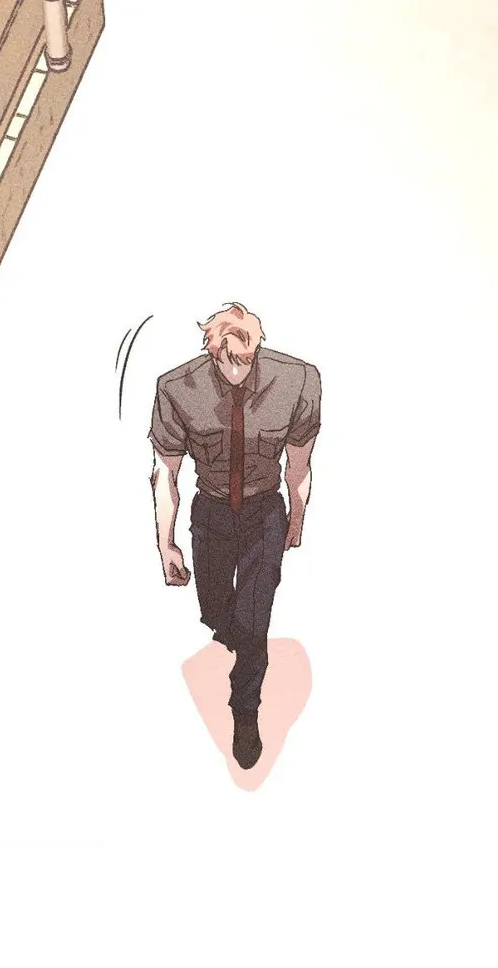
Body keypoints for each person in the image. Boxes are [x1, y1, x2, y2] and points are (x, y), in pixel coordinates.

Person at [149, 304, 321, 769]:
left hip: (264, 511)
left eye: (246, 360)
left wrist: (297, 518)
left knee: (254, 617)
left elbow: (299, 464)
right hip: (212, 514)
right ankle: (237, 637)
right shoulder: (176, 388)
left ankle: (245, 709)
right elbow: (165, 474)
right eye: (227, 360)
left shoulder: (298, 380)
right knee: (215, 610)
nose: (237, 370)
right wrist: (166, 544)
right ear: (211, 351)